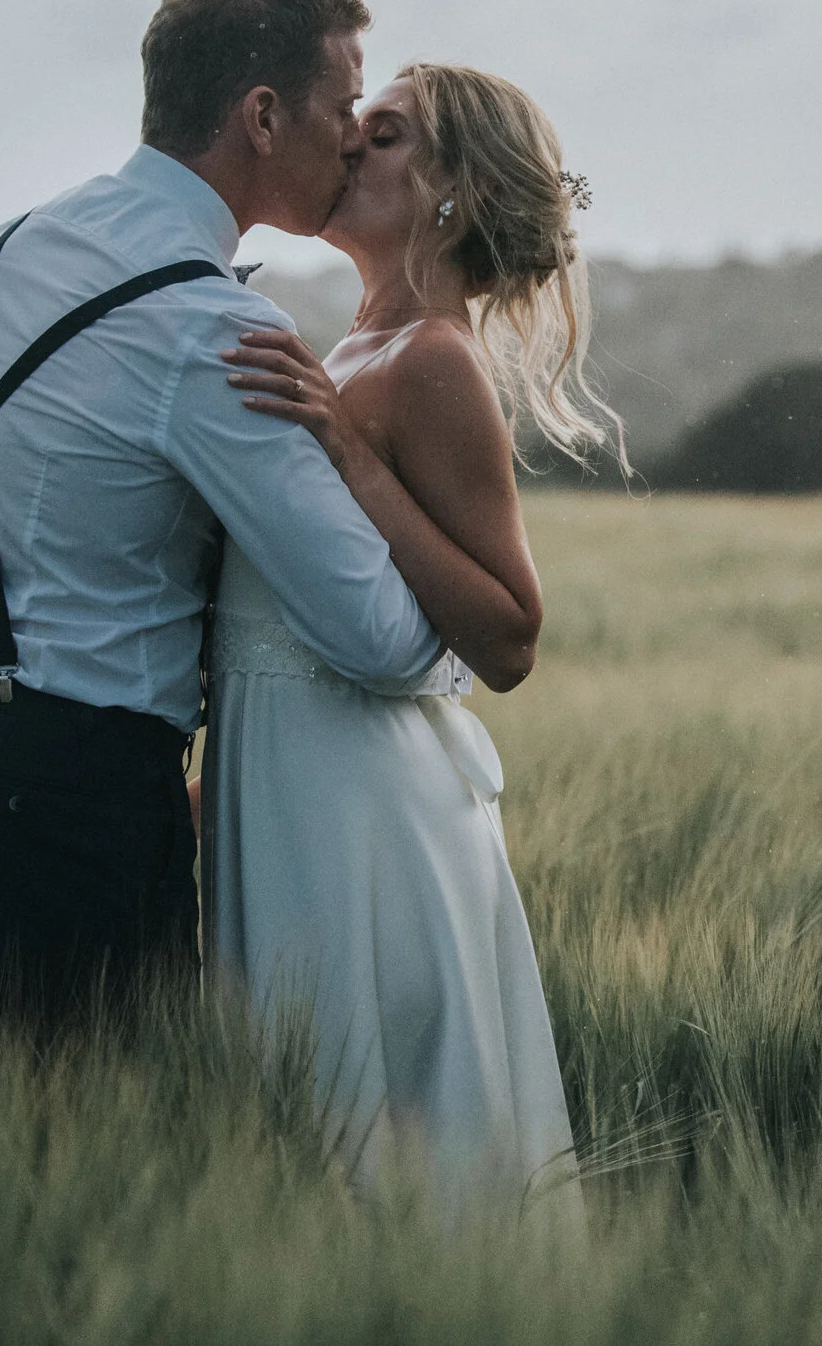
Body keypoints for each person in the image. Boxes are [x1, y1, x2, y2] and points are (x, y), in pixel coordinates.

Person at [0, 0, 445, 1042]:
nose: (352, 133)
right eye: (342, 102)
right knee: (98, 1153)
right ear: (261, 116)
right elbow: (385, 640)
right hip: (76, 810)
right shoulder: (215, 326)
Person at [202, 62, 623, 1217]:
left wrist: (349, 455)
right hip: (283, 777)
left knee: (381, 1151)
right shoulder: (345, 352)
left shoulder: (430, 360)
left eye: (382, 135)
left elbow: (511, 633)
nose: (345, 144)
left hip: (363, 809)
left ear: (450, 191)